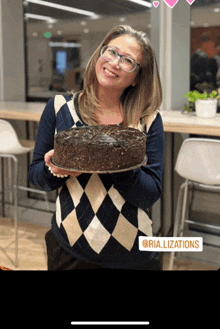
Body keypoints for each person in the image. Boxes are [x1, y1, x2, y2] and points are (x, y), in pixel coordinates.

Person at [29, 25, 165, 270]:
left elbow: (150, 194)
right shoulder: (60, 108)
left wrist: (121, 164)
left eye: (128, 61)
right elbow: (37, 177)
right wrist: (57, 169)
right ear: (100, 54)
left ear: (137, 78)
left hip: (131, 252)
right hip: (69, 249)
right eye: (111, 51)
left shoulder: (148, 120)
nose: (114, 62)